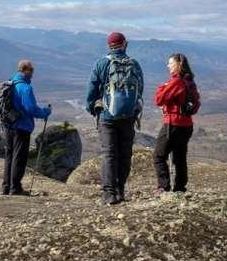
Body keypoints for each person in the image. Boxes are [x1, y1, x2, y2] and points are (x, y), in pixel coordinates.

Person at [86, 32, 144, 205]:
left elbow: (91, 89)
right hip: (128, 116)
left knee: (109, 154)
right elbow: (139, 88)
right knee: (125, 154)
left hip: (107, 116)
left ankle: (109, 194)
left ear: (109, 45)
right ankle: (120, 190)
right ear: (124, 44)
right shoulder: (134, 64)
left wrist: (93, 108)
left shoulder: (101, 63)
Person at [2, 59, 52, 196]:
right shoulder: (25, 87)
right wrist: (45, 112)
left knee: (10, 156)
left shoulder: (10, 83)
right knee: (19, 157)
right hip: (21, 126)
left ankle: (6, 187)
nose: (33, 73)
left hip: (8, 125)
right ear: (25, 70)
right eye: (32, 70)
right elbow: (31, 109)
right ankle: (15, 188)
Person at [153, 53, 201, 193]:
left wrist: (163, 87)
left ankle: (163, 186)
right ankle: (180, 188)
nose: (168, 66)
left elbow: (158, 99)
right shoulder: (190, 82)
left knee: (159, 155)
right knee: (180, 158)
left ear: (178, 65)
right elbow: (196, 103)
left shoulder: (176, 82)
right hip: (187, 125)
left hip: (173, 123)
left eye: (170, 63)